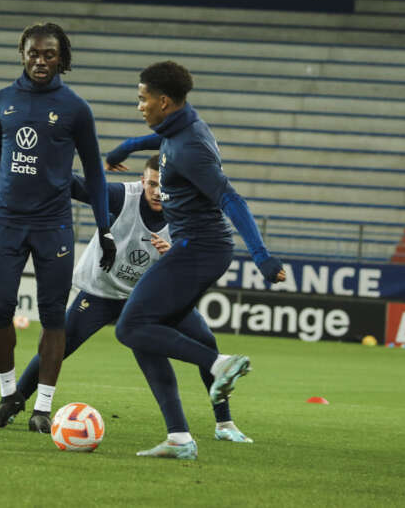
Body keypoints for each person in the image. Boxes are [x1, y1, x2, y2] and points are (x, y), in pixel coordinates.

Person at [108, 61, 285, 460]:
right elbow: (164, 144)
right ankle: (182, 437)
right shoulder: (183, 129)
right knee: (146, 335)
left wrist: (262, 256)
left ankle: (219, 364)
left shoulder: (189, 147)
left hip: (198, 249)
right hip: (198, 249)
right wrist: (128, 147)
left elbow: (231, 199)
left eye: (143, 98)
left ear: (164, 101)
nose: (140, 105)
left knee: (130, 326)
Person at [14, 156, 253, 443]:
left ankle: (224, 423)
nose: (156, 191)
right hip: (102, 291)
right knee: (56, 348)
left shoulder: (190, 213)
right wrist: (44, 166)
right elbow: (78, 187)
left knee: (206, 341)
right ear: (142, 181)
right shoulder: (122, 196)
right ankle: (14, 401)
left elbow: (197, 258)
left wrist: (177, 253)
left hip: (151, 299)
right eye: (151, 183)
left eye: (163, 186)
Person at [0, 22, 115, 433]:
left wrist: (105, 228)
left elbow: (95, 176)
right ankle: (9, 395)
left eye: (49, 54)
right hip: (6, 222)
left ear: (61, 58)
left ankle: (43, 408)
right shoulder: (2, 101)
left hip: (53, 225)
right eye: (33, 53)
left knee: (53, 316)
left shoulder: (76, 109)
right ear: (22, 53)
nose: (40, 60)